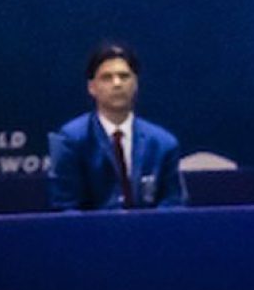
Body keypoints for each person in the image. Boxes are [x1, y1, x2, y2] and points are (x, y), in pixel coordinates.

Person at [47, 44, 185, 210]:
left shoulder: (163, 144)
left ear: (136, 84)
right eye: (107, 77)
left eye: (124, 76)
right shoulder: (71, 140)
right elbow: (65, 208)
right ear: (91, 87)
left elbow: (174, 205)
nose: (117, 83)